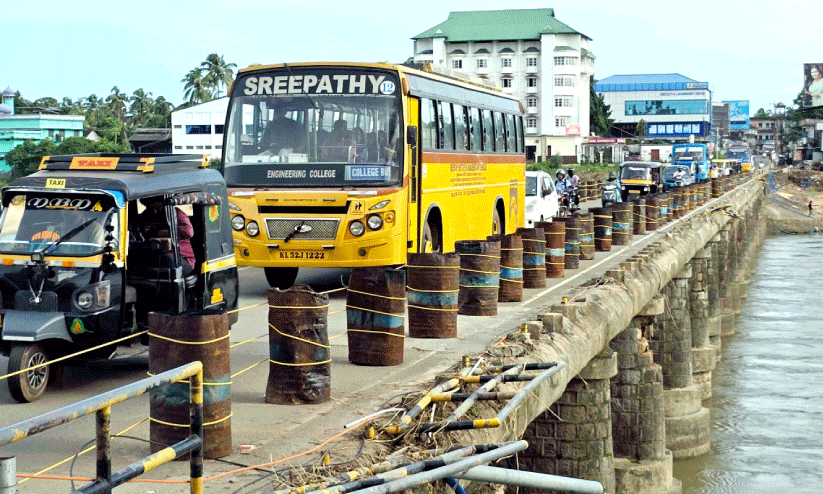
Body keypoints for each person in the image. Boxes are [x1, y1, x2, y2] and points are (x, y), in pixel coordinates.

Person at [137, 197, 196, 276]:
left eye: (156, 206)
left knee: (167, 258)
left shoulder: (176, 213)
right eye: (150, 206)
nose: (154, 209)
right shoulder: (147, 214)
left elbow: (189, 232)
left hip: (182, 258)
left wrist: (162, 232)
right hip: (156, 252)